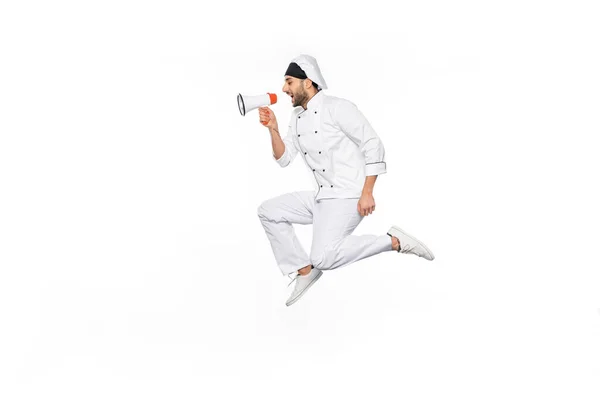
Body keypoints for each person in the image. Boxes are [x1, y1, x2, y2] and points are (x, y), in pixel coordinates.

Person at [257, 54, 434, 306]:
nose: (284, 89)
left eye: (289, 82)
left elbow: (373, 145)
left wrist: (368, 192)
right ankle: (304, 270)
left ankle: (393, 241)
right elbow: (284, 158)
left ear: (307, 82)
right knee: (268, 211)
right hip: (321, 196)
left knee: (324, 258)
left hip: (348, 196)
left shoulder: (338, 107)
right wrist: (273, 129)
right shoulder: (297, 117)